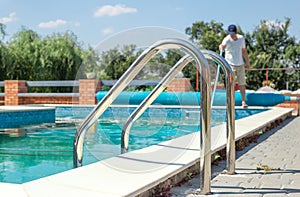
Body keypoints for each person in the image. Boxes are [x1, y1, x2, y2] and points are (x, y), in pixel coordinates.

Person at [219, 24, 251, 107]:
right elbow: (221, 46)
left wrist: (247, 62)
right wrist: (221, 47)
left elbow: (244, 50)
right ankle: (230, 102)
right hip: (230, 64)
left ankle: (243, 101)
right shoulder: (226, 39)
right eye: (230, 33)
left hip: (240, 63)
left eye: (233, 33)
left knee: (242, 83)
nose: (232, 35)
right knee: (231, 83)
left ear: (236, 32)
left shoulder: (241, 38)